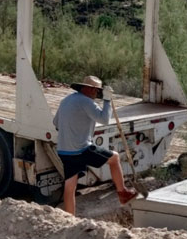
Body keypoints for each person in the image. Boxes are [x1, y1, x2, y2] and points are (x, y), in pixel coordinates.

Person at [53, 75, 135, 215]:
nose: (97, 93)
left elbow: (56, 124)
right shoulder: (86, 102)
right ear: (88, 89)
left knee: (70, 185)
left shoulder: (66, 100)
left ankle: (69, 217)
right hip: (81, 149)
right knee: (114, 158)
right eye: (96, 90)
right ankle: (123, 193)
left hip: (64, 150)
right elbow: (104, 119)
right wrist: (107, 100)